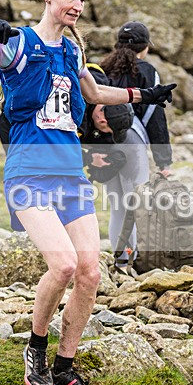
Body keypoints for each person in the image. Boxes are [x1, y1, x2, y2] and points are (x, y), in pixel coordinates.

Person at [0, 0, 175, 385]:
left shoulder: (73, 52)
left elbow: (93, 94)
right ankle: (35, 350)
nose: (78, 6)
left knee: (91, 273)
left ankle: (65, 368)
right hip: (29, 173)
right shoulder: (17, 42)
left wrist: (142, 95)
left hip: (70, 175)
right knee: (64, 268)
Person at [80, 65, 149, 264]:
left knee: (131, 205)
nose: (107, 132)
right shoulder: (80, 104)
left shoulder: (110, 111)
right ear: (101, 116)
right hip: (108, 150)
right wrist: (89, 158)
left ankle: (130, 258)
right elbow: (60, 146)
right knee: (118, 206)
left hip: (132, 150)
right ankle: (124, 260)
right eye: (106, 128)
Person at [101, 21, 173, 176]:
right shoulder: (146, 71)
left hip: (105, 138)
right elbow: (154, 115)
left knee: (116, 197)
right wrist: (163, 161)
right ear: (145, 47)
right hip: (132, 136)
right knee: (136, 195)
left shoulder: (104, 68)